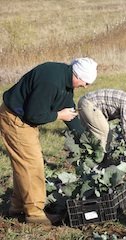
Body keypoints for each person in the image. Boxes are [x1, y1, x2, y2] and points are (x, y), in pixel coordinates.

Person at [0, 57, 98, 225]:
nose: (85, 86)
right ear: (78, 75)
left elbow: (68, 107)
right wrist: (59, 115)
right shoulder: (51, 82)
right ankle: (34, 214)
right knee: (33, 166)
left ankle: (17, 207)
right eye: (85, 82)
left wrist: (84, 139)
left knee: (24, 165)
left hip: (24, 120)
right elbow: (34, 114)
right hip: (16, 119)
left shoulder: (65, 79)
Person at [77, 85, 126, 162]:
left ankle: (86, 158)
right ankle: (102, 161)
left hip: (87, 102)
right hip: (89, 104)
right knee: (105, 133)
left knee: (89, 135)